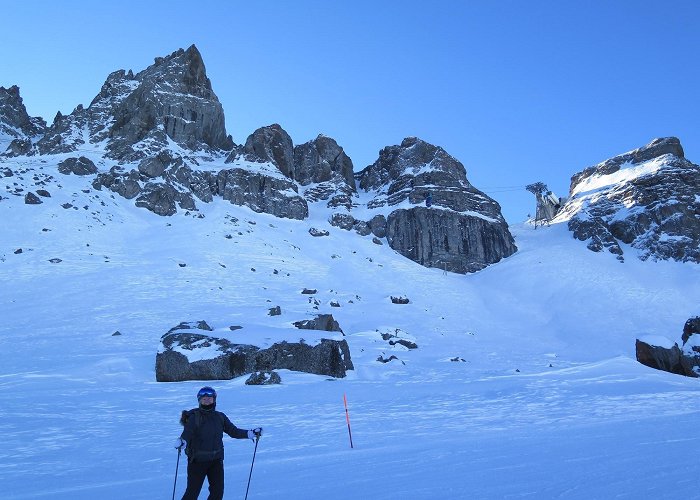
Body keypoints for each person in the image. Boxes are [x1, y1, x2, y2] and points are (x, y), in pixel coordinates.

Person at [174, 386, 262, 500]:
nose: (207, 400)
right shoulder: (194, 417)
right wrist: (182, 441)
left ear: (214, 399)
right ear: (199, 400)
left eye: (210, 398)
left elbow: (233, 431)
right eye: (204, 398)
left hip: (216, 461)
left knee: (217, 493)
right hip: (197, 461)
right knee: (192, 493)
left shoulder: (220, 417)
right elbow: (187, 432)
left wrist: (250, 433)